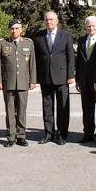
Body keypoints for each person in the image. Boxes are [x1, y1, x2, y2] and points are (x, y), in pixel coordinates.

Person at [33, 11, 75, 145]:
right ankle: (48, 134)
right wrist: (36, 77)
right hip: (45, 77)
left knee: (63, 107)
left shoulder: (65, 35)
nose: (48, 22)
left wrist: (70, 75)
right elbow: (36, 58)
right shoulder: (39, 36)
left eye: (51, 19)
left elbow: (70, 55)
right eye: (46, 20)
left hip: (62, 77)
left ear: (57, 21)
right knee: (47, 107)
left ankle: (62, 135)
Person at [0, 18, 36, 147]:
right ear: (9, 30)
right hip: (8, 82)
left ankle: (21, 136)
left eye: (16, 28)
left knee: (22, 111)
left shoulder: (28, 43)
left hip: (23, 82)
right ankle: (11, 136)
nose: (14, 31)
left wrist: (33, 80)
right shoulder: (3, 44)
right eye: (12, 29)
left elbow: (32, 64)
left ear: (21, 29)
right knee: (10, 110)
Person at [74, 16, 96, 144]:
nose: (91, 28)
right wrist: (77, 79)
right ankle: (88, 134)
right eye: (89, 26)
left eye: (93, 25)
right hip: (84, 81)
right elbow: (79, 61)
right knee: (87, 109)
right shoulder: (82, 40)